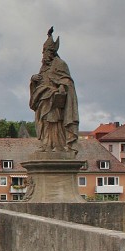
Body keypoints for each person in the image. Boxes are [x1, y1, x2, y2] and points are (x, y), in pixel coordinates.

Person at [29, 27, 79, 155]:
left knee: (55, 122)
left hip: (54, 101)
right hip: (43, 101)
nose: (43, 55)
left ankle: (58, 145)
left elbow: (67, 81)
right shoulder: (44, 67)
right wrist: (33, 80)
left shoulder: (60, 64)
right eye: (43, 52)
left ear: (51, 52)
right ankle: (46, 144)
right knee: (45, 123)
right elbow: (40, 82)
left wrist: (62, 87)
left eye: (45, 52)